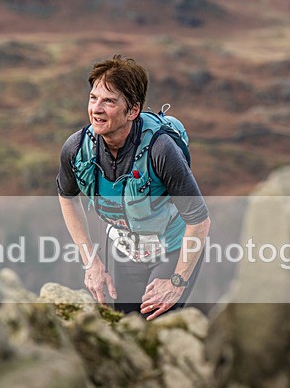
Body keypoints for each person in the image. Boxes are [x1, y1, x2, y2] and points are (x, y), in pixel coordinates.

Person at [57, 54, 210, 321]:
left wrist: (177, 281)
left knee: (154, 325)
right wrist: (91, 262)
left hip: (172, 249)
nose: (96, 108)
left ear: (133, 110)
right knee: (125, 327)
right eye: (93, 98)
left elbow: (199, 220)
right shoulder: (76, 148)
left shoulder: (161, 150)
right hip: (124, 250)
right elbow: (67, 198)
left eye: (109, 101)